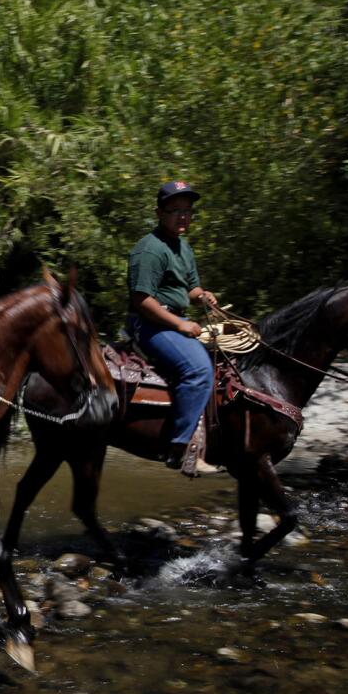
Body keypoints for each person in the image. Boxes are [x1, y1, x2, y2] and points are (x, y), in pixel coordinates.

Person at [127, 181, 221, 476]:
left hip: (172, 320)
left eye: (188, 211)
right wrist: (181, 323)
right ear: (159, 212)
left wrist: (203, 296)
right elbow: (142, 300)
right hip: (149, 323)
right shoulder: (150, 250)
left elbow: (189, 287)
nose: (183, 217)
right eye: (175, 211)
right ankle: (179, 449)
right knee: (198, 370)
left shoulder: (183, 245)